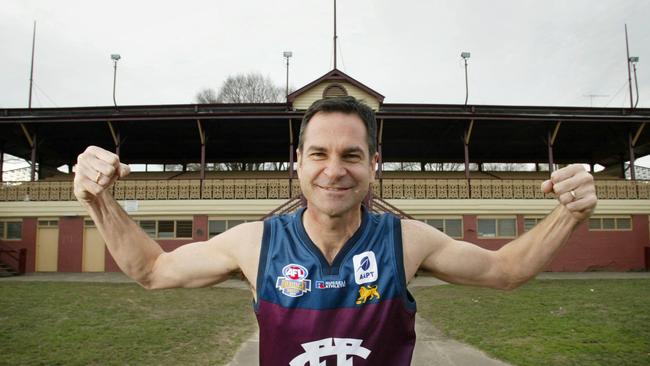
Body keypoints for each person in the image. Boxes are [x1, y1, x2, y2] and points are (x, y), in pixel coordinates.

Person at [73, 96, 597, 365]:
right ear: (297, 162)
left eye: (351, 155)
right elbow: (153, 270)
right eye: (319, 154)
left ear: (375, 164)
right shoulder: (255, 242)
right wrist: (98, 199)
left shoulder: (405, 239)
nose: (334, 170)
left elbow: (504, 271)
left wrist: (569, 212)